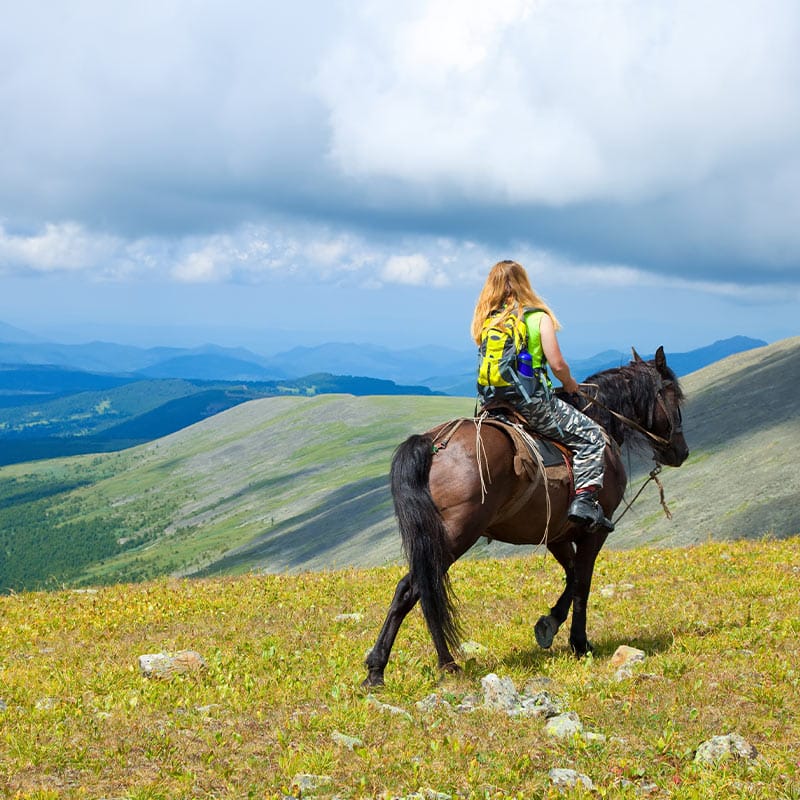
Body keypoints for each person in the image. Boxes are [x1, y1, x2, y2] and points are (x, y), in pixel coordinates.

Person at [471, 259, 613, 532]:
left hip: (494, 404)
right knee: (592, 438)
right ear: (524, 282)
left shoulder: (488, 321)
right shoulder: (537, 317)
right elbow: (557, 364)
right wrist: (570, 384)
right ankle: (584, 502)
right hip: (532, 404)